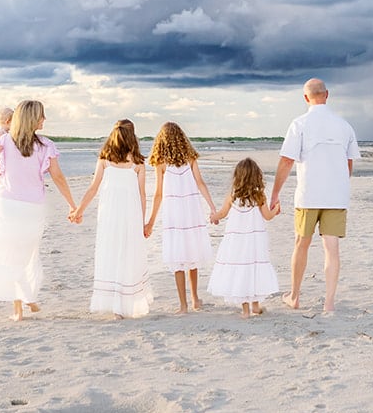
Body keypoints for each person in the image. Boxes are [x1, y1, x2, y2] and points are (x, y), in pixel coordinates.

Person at [0, 100, 76, 321]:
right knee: (24, 254)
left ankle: (22, 305)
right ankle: (23, 302)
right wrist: (72, 203)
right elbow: (58, 177)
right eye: (42, 115)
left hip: (8, 205)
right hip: (31, 207)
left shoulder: (5, 140)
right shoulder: (44, 145)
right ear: (32, 118)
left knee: (13, 254)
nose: (44, 119)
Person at [269, 77, 359, 315]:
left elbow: (287, 161)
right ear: (327, 95)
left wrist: (275, 194)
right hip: (336, 197)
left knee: (301, 243)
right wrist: (338, 184)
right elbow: (348, 165)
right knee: (332, 249)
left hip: (308, 195)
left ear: (306, 98)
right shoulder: (344, 126)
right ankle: (329, 304)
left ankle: (295, 296)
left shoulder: (299, 124)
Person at [71, 119, 153, 318]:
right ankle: (123, 304)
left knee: (112, 253)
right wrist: (143, 221)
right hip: (130, 217)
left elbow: (93, 188)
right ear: (132, 136)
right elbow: (142, 195)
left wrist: (79, 210)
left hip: (110, 217)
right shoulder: (138, 163)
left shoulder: (105, 159)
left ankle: (118, 305)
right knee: (127, 255)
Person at [144, 121, 217, 313]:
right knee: (192, 255)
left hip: (174, 215)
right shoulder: (190, 158)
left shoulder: (161, 163)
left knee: (178, 257)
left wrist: (150, 221)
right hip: (191, 213)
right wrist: (212, 207)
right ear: (182, 138)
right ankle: (194, 299)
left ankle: (184, 305)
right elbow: (201, 183)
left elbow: (158, 194)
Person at [207, 158, 281, 317]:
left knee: (241, 269)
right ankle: (256, 306)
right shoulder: (259, 195)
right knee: (253, 269)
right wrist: (276, 210)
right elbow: (267, 216)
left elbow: (223, 213)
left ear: (237, 176)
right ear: (256, 176)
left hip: (237, 243)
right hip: (255, 242)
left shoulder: (233, 195)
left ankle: (246, 310)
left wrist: (214, 217)